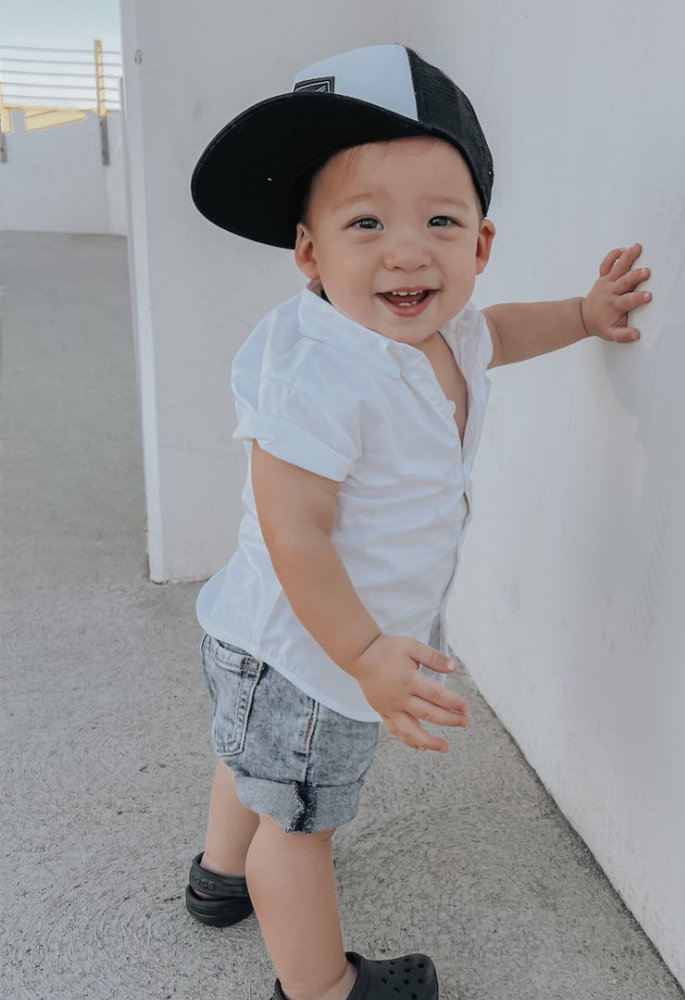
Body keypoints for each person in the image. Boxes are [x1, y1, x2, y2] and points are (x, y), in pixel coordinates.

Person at [182, 41, 652, 1000]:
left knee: (253, 759)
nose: (406, 250)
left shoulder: (451, 331)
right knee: (298, 825)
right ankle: (321, 986)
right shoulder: (321, 371)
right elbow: (294, 528)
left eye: (440, 219)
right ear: (308, 253)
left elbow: (507, 331)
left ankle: (219, 879)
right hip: (310, 652)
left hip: (270, 646)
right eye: (365, 222)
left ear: (480, 244)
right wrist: (360, 653)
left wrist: (586, 311)